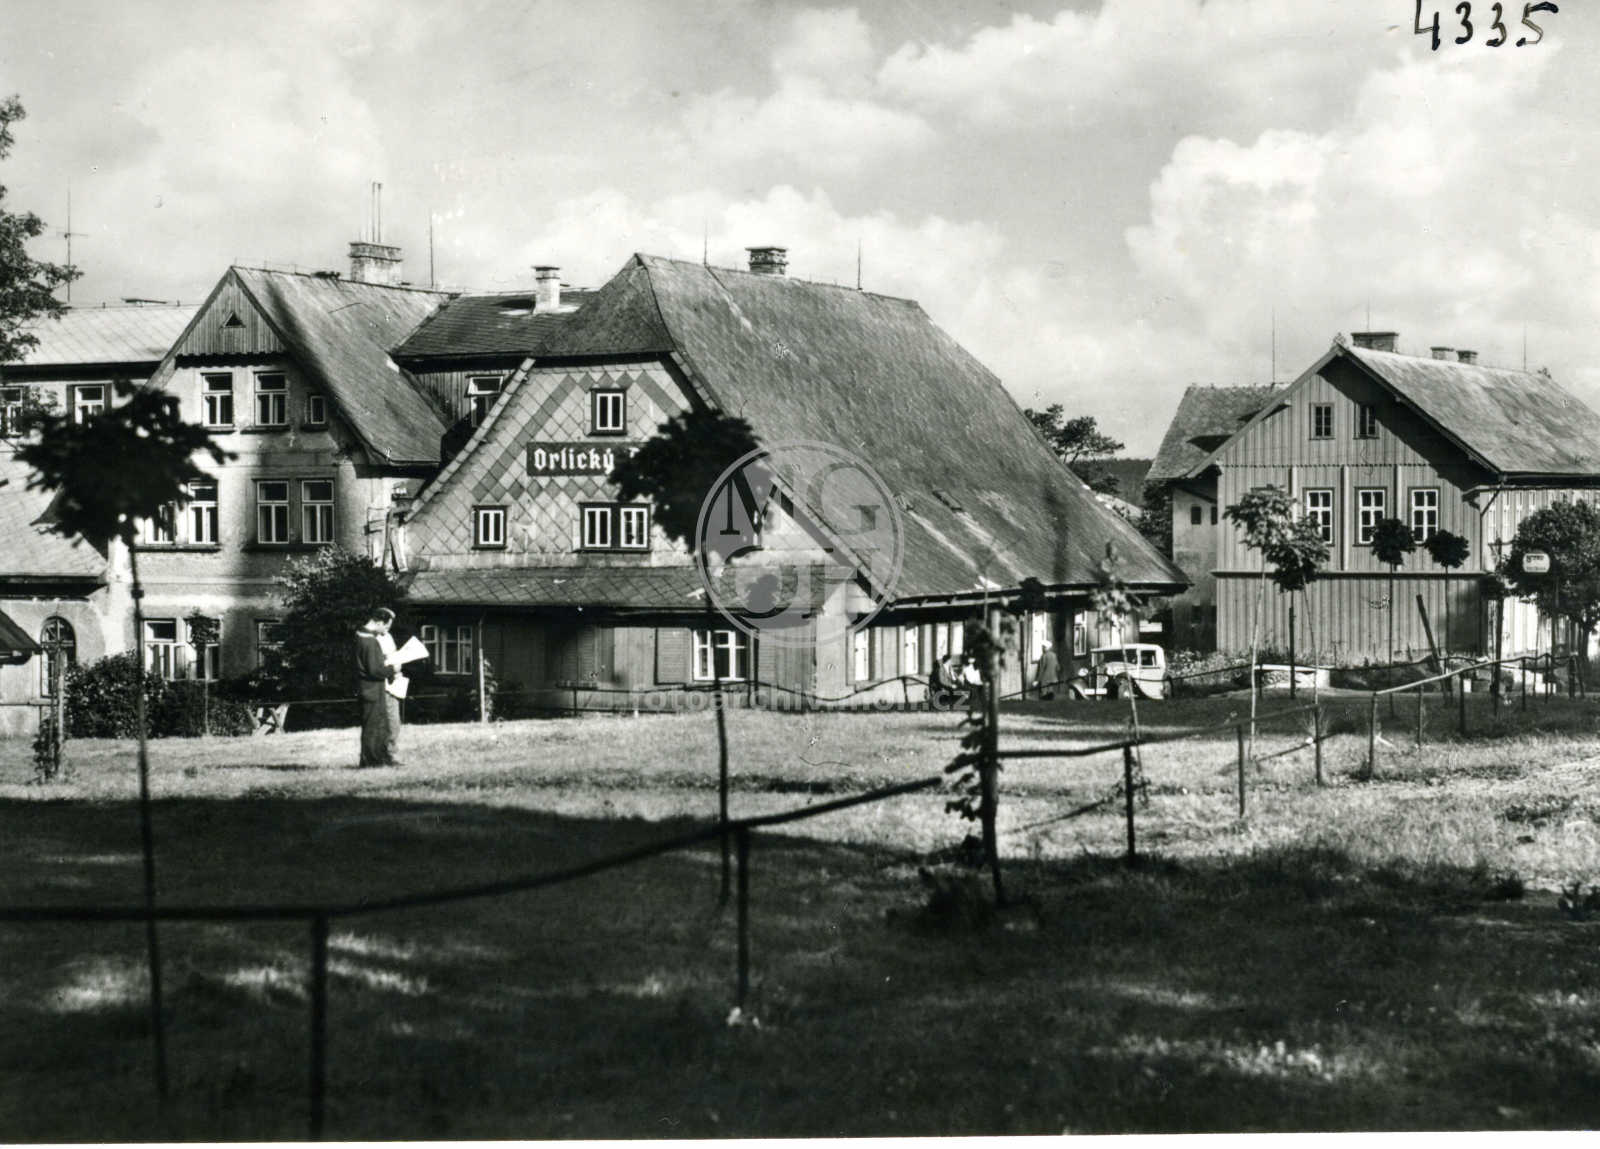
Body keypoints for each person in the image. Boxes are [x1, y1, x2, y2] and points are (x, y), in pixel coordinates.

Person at [355, 607, 402, 767]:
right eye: (386, 627)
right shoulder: (370, 641)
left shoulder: (360, 636)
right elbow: (375, 670)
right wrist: (393, 669)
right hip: (372, 688)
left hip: (368, 687)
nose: (385, 631)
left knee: (375, 726)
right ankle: (371, 762)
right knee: (373, 728)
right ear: (379, 623)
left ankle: (375, 760)